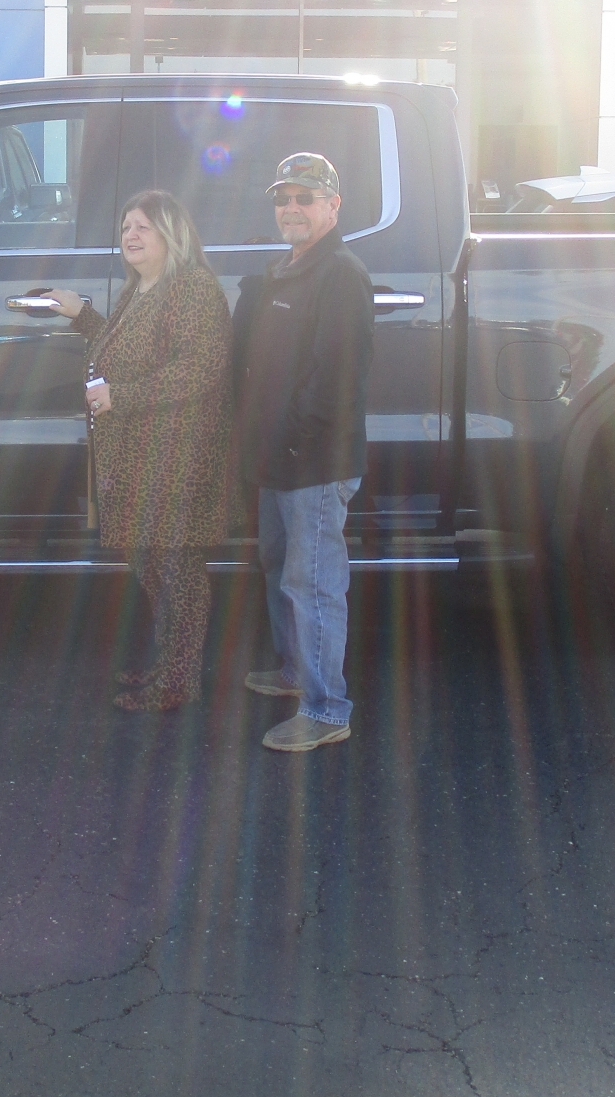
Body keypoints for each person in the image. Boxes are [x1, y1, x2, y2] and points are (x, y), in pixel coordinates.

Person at [46, 191, 232, 711]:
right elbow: (122, 349)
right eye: (126, 226)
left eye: (143, 227)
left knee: (176, 572)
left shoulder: (191, 287)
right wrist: (82, 314)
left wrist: (120, 396)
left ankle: (179, 682)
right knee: (151, 562)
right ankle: (170, 665)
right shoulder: (140, 288)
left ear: (172, 234)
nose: (130, 235)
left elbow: (200, 367)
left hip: (175, 455)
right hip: (138, 454)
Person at [232, 153, 374, 752]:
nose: (291, 207)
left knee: (312, 584)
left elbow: (335, 381)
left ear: (333, 206)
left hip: (312, 463)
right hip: (276, 459)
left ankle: (326, 710)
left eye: (305, 198)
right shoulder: (287, 270)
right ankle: (295, 671)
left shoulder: (339, 275)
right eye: (283, 198)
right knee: (279, 567)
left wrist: (291, 440)